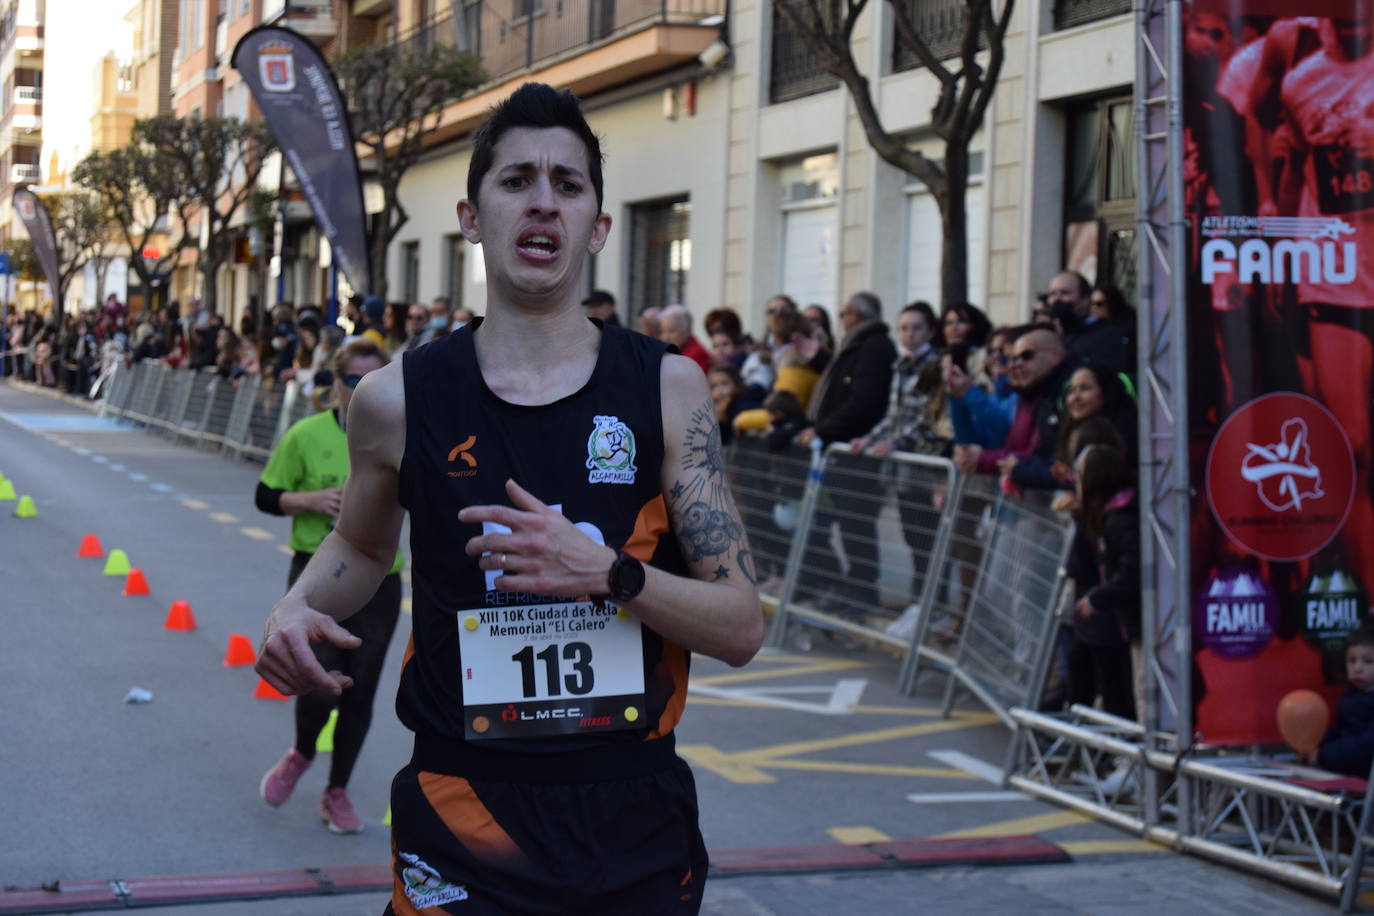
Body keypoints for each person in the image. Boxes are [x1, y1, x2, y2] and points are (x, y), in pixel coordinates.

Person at [254, 82, 762, 915]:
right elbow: (362, 547)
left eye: (568, 185)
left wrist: (608, 573)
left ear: (598, 226)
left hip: (629, 809)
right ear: (471, 214)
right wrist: (295, 606)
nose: (543, 203)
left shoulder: (669, 389)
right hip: (464, 804)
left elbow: (741, 626)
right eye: (517, 179)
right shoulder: (396, 398)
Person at [254, 338, 404, 834]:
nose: (363, 389)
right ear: (336, 383)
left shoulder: (401, 434)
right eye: (353, 380)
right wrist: (314, 499)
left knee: (359, 692)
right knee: (318, 682)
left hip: (381, 582)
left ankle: (336, 791)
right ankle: (300, 753)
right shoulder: (306, 434)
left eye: (373, 379)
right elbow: (265, 496)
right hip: (317, 575)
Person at [795, 291, 897, 617]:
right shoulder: (856, 344)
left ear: (856, 316)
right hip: (842, 453)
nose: (840, 321)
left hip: (856, 454)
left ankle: (863, 593)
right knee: (843, 525)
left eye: (844, 314)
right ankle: (848, 587)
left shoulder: (874, 346)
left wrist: (823, 430)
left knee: (858, 526)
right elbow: (842, 384)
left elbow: (863, 401)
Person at [1065, 443, 1139, 723]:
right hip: (1109, 617)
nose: (1075, 483)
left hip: (1118, 620)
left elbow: (1129, 574)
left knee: (1122, 691)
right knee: (1088, 672)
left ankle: (1123, 752)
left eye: (1079, 476)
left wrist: (1098, 599)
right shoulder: (1104, 518)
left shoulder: (1120, 522)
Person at [1317, 624, 1374, 777]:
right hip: (1345, 776)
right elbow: (1337, 730)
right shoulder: (1349, 696)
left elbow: (1366, 746)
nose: (1358, 668)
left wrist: (1324, 755)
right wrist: (1315, 747)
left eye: (1368, 661)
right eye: (1351, 660)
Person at [659, 304, 711, 373]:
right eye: (662, 331)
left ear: (686, 331)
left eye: (671, 331)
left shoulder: (697, 354)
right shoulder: (669, 352)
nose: (665, 337)